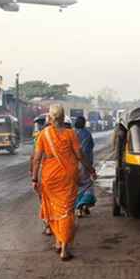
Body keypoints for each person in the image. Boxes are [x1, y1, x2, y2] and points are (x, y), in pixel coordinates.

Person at [31, 105, 96, 261]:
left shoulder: (43, 135)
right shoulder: (70, 134)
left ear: (50, 118)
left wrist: (34, 178)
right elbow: (80, 155)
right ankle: (64, 248)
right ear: (63, 117)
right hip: (68, 177)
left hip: (49, 177)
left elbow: (37, 159)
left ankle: (59, 242)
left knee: (54, 210)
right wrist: (91, 170)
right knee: (66, 211)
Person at [73, 116, 96, 217]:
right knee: (87, 185)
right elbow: (90, 147)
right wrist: (91, 169)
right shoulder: (87, 134)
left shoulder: (71, 133)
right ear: (84, 123)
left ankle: (80, 207)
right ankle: (81, 205)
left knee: (76, 186)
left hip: (72, 164)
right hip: (85, 163)